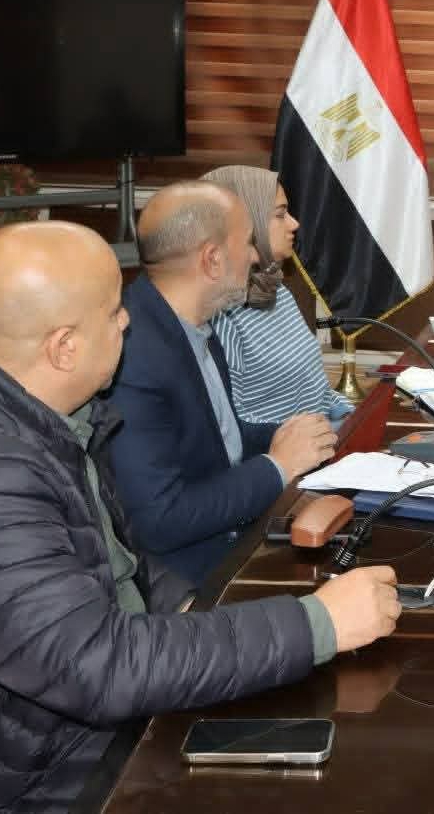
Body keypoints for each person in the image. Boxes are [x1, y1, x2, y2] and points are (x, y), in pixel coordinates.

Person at [0, 222, 401, 813]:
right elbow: (96, 668)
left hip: (38, 734)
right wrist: (316, 624)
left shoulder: (13, 395)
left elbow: (115, 557)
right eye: (114, 312)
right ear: (64, 347)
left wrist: (197, 610)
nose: (128, 320)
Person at [109, 182, 336, 582]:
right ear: (212, 260)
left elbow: (217, 442)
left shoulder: (194, 324)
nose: (255, 256)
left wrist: (291, 436)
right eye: (247, 243)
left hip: (227, 536)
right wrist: (278, 465)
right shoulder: (133, 357)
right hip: (183, 580)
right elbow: (160, 521)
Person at [203, 164, 355, 426]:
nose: (294, 224)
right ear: (246, 223)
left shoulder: (275, 289)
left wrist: (347, 414)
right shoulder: (219, 317)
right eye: (280, 214)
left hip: (325, 435)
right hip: (287, 448)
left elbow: (313, 388)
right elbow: (232, 427)